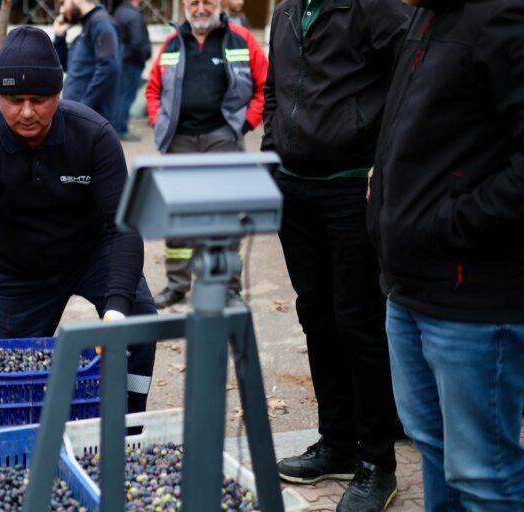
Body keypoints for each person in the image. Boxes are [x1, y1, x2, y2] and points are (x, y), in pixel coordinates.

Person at [0, 26, 157, 415]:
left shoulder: (94, 135)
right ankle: (31, 445)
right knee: (18, 375)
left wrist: (116, 308)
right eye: (14, 99)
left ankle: (126, 425)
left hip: (93, 253)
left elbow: (123, 227)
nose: (26, 112)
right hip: (22, 270)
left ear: (58, 95)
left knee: (138, 324)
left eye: (39, 99)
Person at [368, 1, 524, 510]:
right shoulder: (428, 16)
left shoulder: (502, 17)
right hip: (408, 288)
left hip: (471, 300)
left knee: (483, 474)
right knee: (433, 449)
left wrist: (449, 224)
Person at [261, 0, 410, 509]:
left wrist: (383, 162)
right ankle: (338, 443)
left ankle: (377, 462)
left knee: (359, 322)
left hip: (353, 188)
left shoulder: (373, 7)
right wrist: (269, 151)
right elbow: (275, 89)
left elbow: (413, 75)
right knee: (317, 316)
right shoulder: (285, 12)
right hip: (293, 190)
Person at [145, 0, 267, 309]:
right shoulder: (173, 43)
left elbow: (266, 87)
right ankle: (177, 284)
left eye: (207, 2)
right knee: (177, 216)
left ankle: (229, 285)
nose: (200, 8)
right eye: (193, 2)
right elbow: (153, 90)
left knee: (227, 216)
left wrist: (246, 122)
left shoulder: (241, 39)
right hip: (179, 141)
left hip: (222, 139)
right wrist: (160, 122)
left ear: (219, 4)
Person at [53, 0, 120, 123]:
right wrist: (59, 36)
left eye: (63, 3)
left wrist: (84, 107)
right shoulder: (88, 24)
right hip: (80, 115)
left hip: (90, 120)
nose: (61, 10)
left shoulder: (101, 23)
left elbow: (109, 67)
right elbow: (70, 67)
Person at [111, 0, 151, 141]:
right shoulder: (132, 15)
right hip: (131, 63)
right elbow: (137, 43)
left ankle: (117, 127)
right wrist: (143, 57)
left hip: (122, 61)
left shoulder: (119, 12)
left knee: (121, 95)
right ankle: (121, 129)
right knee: (126, 96)